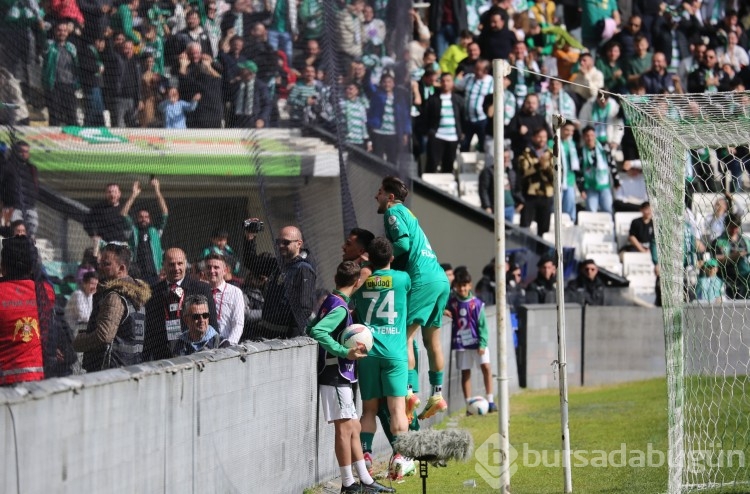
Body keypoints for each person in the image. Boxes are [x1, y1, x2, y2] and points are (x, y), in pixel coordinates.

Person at [307, 261, 394, 493]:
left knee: (354, 426)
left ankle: (365, 481)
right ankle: (348, 484)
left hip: (341, 375)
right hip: (335, 376)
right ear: (357, 282)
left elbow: (310, 327)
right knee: (345, 430)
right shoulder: (339, 308)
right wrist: (345, 351)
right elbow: (317, 331)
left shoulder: (331, 301)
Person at [376, 176, 450, 421]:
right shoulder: (409, 213)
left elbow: (403, 244)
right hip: (439, 277)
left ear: (389, 197)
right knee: (432, 341)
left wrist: (382, 261)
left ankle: (408, 393)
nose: (375, 196)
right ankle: (437, 395)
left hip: (422, 278)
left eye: (379, 192)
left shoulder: (393, 212)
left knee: (403, 336)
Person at [353, 237, 414, 481]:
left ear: (368, 257)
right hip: (394, 353)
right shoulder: (402, 279)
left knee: (369, 408)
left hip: (366, 351)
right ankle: (399, 456)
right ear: (391, 258)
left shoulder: (361, 281)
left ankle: (366, 456)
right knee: (397, 408)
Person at [73, 244, 152, 372]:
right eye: (100, 263)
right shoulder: (137, 297)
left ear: (121, 268)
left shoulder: (115, 296)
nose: (100, 267)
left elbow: (103, 336)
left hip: (109, 371)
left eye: (106, 264)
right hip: (130, 369)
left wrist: (75, 342)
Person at [143, 247, 218, 361]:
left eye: (180, 263)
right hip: (162, 357)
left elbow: (212, 324)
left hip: (195, 354)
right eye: (171, 264)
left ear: (185, 264)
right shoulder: (153, 292)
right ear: (163, 265)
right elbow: (149, 329)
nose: (176, 268)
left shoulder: (201, 288)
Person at [243, 224, 316, 339]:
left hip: (286, 337)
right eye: (278, 242)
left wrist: (292, 335)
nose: (281, 246)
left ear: (299, 244)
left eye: (286, 242)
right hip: (266, 333)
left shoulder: (303, 269)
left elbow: (304, 307)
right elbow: (250, 262)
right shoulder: (277, 264)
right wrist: (250, 237)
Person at [0, 236, 54, 385]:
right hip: (38, 382)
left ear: (2, 267)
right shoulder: (46, 292)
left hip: (4, 384)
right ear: (32, 267)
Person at [445, 269, 495, 414]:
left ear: (470, 285)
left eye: (465, 285)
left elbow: (483, 326)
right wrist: (443, 310)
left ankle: (490, 401)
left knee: (486, 366)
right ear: (455, 286)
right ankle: (469, 405)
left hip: (477, 343)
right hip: (462, 344)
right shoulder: (452, 302)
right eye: (459, 285)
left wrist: (483, 343)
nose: (462, 288)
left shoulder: (477, 304)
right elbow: (440, 306)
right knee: (465, 372)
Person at [121, 178, 168, 286]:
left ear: (150, 219)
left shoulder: (155, 232)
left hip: (154, 275)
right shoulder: (134, 231)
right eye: (141, 217)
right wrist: (134, 194)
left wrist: (157, 190)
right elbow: (124, 213)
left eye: (146, 217)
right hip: (137, 275)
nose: (144, 219)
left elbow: (165, 213)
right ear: (137, 218)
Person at [424, 73, 465, 174]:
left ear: (452, 83)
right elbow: (426, 117)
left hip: (453, 137)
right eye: (443, 81)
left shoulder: (458, 100)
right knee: (432, 164)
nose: (445, 83)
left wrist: (461, 132)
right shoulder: (433, 99)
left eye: (448, 81)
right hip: (437, 136)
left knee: (448, 165)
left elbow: (463, 117)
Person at [518, 127, 555, 235]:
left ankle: (542, 251)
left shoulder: (552, 154)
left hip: (546, 195)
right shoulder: (526, 153)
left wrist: (547, 168)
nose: (542, 140)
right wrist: (539, 165)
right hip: (530, 195)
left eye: (544, 137)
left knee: (544, 228)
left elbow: (556, 175)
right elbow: (524, 172)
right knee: (525, 225)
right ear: (534, 138)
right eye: (539, 137)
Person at [0, 140, 40, 238]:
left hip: (30, 206)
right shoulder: (6, 167)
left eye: (26, 151)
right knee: (16, 232)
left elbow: (34, 186)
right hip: (12, 206)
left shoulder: (32, 168)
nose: (24, 154)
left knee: (30, 235)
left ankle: (26, 250)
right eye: (21, 151)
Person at [204, 254, 245, 345]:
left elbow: (238, 323)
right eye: (208, 267)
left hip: (226, 344)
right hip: (204, 345)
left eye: (216, 267)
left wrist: (229, 344)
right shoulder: (200, 290)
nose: (212, 271)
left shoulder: (235, 292)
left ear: (225, 271)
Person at [579, 125, 620, 214]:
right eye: (587, 136)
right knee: (591, 210)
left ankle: (610, 228)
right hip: (590, 185)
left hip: (604, 184)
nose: (590, 138)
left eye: (592, 135)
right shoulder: (581, 151)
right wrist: (581, 189)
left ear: (595, 135)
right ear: (583, 137)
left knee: (608, 209)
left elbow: (611, 163)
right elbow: (579, 172)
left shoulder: (603, 148)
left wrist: (616, 180)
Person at [64, 271, 98, 372]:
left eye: (96, 284)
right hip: (71, 331)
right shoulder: (78, 294)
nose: (94, 287)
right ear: (84, 283)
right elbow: (83, 316)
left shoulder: (91, 296)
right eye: (92, 284)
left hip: (82, 330)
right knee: (76, 359)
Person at [710, 213, 750, 299]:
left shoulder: (745, 241)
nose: (734, 230)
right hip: (724, 279)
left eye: (736, 227)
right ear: (726, 225)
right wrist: (734, 256)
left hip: (744, 278)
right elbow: (716, 260)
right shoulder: (718, 242)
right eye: (731, 227)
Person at [83, 183, 129, 254]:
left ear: (119, 194)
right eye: (109, 192)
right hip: (104, 245)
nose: (112, 194)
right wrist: (93, 235)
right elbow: (87, 223)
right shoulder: (98, 208)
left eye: (114, 192)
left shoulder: (124, 208)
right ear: (106, 194)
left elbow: (129, 226)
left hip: (120, 245)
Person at [228, 60, 272, 129]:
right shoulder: (237, 85)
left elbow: (267, 104)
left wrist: (262, 118)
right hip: (239, 120)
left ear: (250, 72)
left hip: (254, 120)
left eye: (243, 70)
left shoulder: (260, 86)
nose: (241, 71)